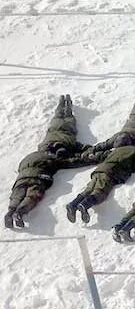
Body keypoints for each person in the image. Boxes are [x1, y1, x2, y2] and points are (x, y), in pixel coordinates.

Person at [5, 95, 102, 229]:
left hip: (23, 174)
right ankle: (20, 212)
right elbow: (76, 161)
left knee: (18, 193)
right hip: (37, 176)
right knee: (32, 195)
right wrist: (96, 155)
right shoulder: (63, 150)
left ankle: (10, 212)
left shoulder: (41, 147)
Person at [66, 89, 135, 224]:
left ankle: (73, 204)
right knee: (100, 191)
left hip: (99, 170)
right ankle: (84, 205)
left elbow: (104, 144)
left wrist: (92, 150)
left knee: (89, 188)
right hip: (110, 173)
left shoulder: (117, 139)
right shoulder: (133, 149)